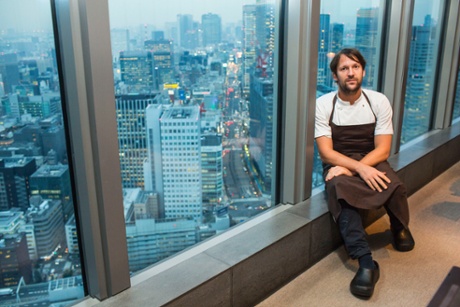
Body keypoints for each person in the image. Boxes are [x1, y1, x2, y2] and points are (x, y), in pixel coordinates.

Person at [314, 48, 415, 299]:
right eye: (344, 68)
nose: (351, 72)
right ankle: (366, 261)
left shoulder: (378, 101)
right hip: (338, 161)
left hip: (372, 158)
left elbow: (383, 148)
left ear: (363, 71)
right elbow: (327, 153)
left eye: (355, 67)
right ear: (335, 76)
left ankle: (399, 226)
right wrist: (353, 168)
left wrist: (357, 167)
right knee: (341, 192)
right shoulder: (324, 104)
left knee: (392, 183)